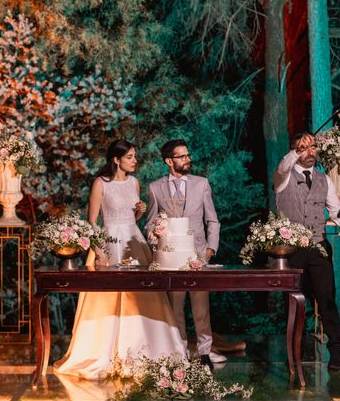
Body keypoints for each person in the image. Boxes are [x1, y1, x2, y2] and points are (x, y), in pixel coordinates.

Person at [54, 140, 187, 379]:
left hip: (132, 241)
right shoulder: (100, 184)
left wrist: (140, 210)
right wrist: (100, 251)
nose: (135, 160)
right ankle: (105, 351)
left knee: (143, 294)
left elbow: (132, 217)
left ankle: (147, 349)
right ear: (116, 160)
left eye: (135, 156)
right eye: (129, 157)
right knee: (107, 297)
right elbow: (92, 222)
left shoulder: (134, 182)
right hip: (110, 242)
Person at [145, 139, 225, 370]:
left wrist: (210, 250)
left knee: (201, 309)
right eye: (182, 156)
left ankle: (204, 353)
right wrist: (155, 236)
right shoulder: (154, 188)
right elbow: (150, 224)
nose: (188, 159)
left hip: (198, 256)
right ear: (169, 161)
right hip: (171, 259)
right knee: (175, 309)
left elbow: (212, 220)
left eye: (188, 155)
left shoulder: (201, 184)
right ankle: (179, 352)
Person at [273, 132, 340, 371]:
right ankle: (295, 353)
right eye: (304, 148)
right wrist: (297, 149)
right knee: (295, 304)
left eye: (313, 147)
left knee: (326, 299)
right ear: (295, 151)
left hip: (318, 248)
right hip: (292, 250)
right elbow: (283, 165)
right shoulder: (283, 177)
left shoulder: (322, 178)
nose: (311, 152)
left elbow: (335, 210)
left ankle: (336, 352)